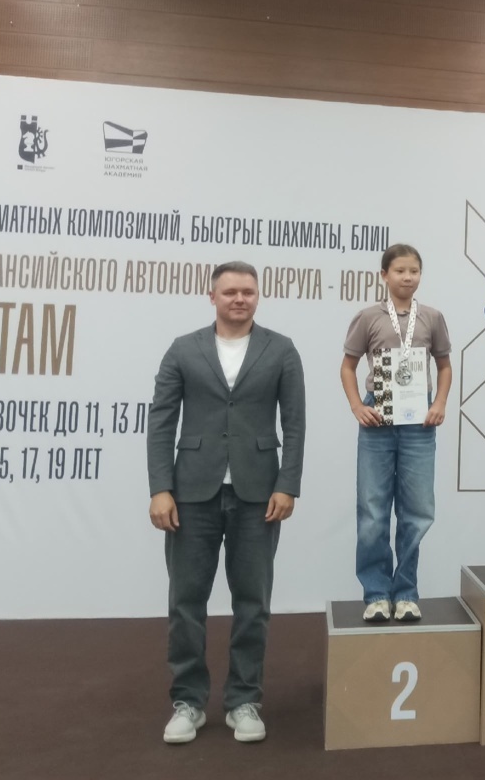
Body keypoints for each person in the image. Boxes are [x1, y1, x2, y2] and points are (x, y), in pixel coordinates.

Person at [147, 261, 305, 744]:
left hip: (260, 495)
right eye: (231, 291)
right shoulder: (183, 349)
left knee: (253, 603)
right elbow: (161, 422)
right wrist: (160, 488)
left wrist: (288, 484)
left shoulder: (281, 349)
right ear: (212, 296)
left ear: (258, 296)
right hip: (191, 493)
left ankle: (244, 701)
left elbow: (295, 423)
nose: (240, 299)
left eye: (248, 292)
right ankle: (188, 702)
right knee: (186, 602)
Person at [340, 244, 452, 623]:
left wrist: (439, 403)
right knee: (373, 511)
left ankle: (405, 593)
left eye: (414, 271)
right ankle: (375, 594)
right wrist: (357, 406)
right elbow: (348, 366)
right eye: (400, 271)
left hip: (420, 419)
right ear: (384, 275)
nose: (407, 277)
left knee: (416, 512)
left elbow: (444, 366)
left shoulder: (432, 317)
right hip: (378, 418)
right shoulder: (368, 317)